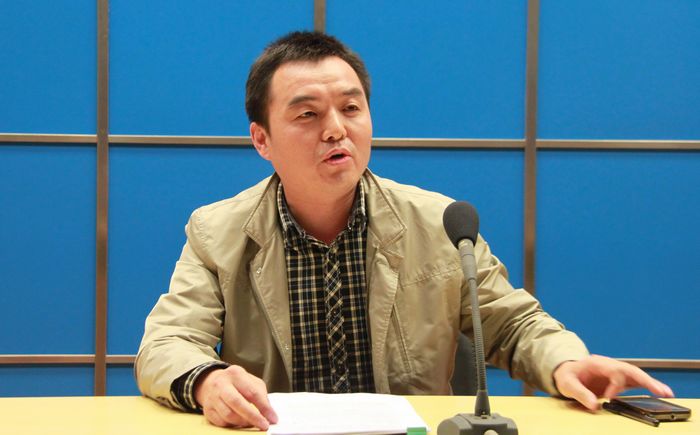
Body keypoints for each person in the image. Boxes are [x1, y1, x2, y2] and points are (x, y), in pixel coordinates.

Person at [135, 31, 673, 430]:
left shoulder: (438, 223)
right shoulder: (217, 232)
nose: (336, 129)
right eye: (307, 115)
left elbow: (514, 324)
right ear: (262, 140)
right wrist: (206, 380)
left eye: (351, 108)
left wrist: (565, 361)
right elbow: (166, 343)